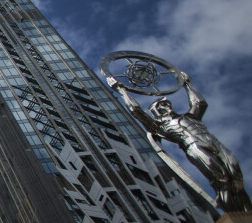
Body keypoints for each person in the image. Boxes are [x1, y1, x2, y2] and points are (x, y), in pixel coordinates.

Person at [107, 71, 251, 213]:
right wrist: (121, 90)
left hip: (214, 142)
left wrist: (187, 84)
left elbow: (200, 103)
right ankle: (236, 214)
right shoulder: (161, 127)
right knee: (222, 180)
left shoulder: (190, 117)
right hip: (194, 146)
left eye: (166, 103)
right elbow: (137, 112)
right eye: (161, 106)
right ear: (156, 112)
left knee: (236, 176)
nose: (166, 106)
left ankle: (247, 211)